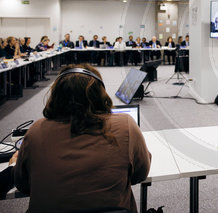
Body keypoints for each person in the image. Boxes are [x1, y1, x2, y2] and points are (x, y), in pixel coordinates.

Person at [14, 64, 151, 213]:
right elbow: (140, 174)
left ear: (56, 94)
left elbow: (23, 186)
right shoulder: (126, 125)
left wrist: (14, 163)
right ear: (100, 93)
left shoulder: (36, 131)